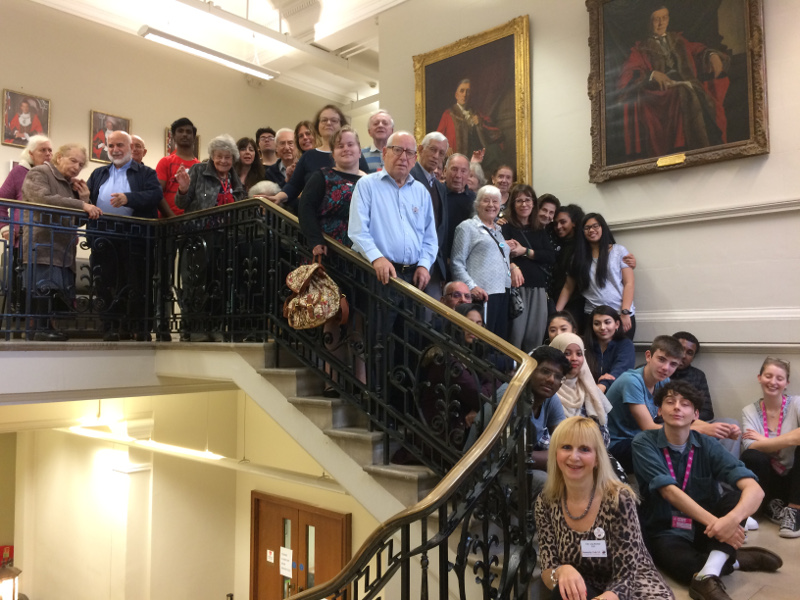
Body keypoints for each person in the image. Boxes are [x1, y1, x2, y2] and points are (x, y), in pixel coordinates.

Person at [633, 381, 782, 600]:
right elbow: (669, 492)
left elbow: (755, 490)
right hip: (665, 528)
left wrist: (730, 520)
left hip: (707, 529)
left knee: (737, 498)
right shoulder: (643, 442)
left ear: (695, 414)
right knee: (683, 568)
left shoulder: (707, 444)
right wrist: (719, 524)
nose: (676, 407)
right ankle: (732, 559)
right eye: (670, 402)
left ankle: (708, 573)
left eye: (685, 404)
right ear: (659, 410)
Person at [536, 416, 674, 600]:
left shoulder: (619, 499)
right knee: (562, 593)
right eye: (566, 447)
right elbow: (548, 566)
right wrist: (561, 571)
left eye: (584, 449)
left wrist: (610, 595)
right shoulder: (545, 501)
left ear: (597, 459)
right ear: (555, 454)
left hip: (632, 587)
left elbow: (627, 571)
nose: (574, 457)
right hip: (586, 585)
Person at [607, 335, 739, 473]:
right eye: (661, 359)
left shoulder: (663, 381)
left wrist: (719, 429)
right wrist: (703, 430)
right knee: (677, 443)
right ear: (648, 356)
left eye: (673, 364)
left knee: (708, 434)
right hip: (618, 445)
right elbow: (648, 427)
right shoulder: (631, 381)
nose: (666, 368)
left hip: (639, 438)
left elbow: (681, 417)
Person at [618, 5, 731, 160]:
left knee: (692, 90)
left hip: (687, 85)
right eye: (656, 19)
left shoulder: (678, 40)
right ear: (648, 22)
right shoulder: (641, 49)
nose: (661, 23)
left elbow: (697, 49)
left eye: (664, 18)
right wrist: (651, 75)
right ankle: (688, 147)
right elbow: (628, 73)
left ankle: (709, 145)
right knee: (684, 92)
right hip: (660, 94)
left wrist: (711, 55)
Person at [21, 143, 102, 340]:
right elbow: (43, 198)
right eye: (73, 160)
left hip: (63, 248)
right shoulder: (40, 172)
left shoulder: (70, 186)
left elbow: (79, 220)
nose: (76, 167)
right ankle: (39, 329)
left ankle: (48, 328)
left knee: (57, 291)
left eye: (81, 164)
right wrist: (81, 204)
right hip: (42, 243)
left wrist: (85, 198)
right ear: (59, 158)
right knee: (43, 287)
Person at [86, 131, 162, 341]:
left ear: (130, 148)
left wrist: (128, 199)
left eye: (120, 145)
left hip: (134, 236)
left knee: (137, 282)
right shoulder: (99, 173)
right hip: (103, 235)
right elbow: (88, 197)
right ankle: (110, 326)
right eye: (110, 146)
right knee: (105, 282)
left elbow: (155, 195)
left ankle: (138, 327)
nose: (115, 150)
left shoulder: (146, 173)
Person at [348, 130, 437, 291]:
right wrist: (377, 258)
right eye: (397, 150)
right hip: (378, 274)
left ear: (414, 159)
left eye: (409, 153)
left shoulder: (421, 191)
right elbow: (357, 231)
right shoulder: (367, 185)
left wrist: (424, 265)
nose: (403, 157)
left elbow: (430, 237)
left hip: (414, 277)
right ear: (384, 153)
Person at [741, 357, 800, 537]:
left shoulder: (797, 403)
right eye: (768, 376)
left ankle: (793, 510)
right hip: (769, 479)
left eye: (779, 378)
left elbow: (758, 443)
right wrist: (791, 438)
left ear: (786, 383)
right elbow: (750, 446)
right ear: (760, 378)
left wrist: (763, 441)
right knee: (752, 456)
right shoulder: (749, 411)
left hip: (795, 478)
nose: (773, 382)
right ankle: (767, 505)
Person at [270, 106, 369, 212]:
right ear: (317, 126)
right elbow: (294, 185)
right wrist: (278, 197)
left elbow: (367, 184)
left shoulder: (353, 154)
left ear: (342, 125)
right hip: (313, 215)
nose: (329, 123)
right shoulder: (308, 156)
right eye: (324, 120)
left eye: (334, 120)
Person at [556, 213, 636, 339]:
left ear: (602, 227)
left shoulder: (619, 251)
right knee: (595, 357)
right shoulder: (577, 258)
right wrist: (556, 314)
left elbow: (629, 283)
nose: (591, 230)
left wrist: (625, 312)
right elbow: (568, 287)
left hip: (620, 315)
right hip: (593, 318)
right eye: (587, 228)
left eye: (595, 226)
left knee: (621, 354)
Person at [450, 185, 515, 339]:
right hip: (483, 295)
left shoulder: (498, 231)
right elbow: (456, 262)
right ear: (477, 204)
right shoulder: (467, 228)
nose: (491, 205)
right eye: (486, 201)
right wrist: (471, 286)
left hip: (503, 292)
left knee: (499, 341)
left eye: (495, 201)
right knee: (482, 341)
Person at [502, 184, 554, 351]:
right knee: (515, 336)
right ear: (513, 204)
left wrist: (525, 251)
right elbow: (499, 254)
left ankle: (532, 375)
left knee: (535, 337)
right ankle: (512, 375)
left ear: (533, 203)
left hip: (538, 289)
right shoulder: (505, 227)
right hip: (517, 289)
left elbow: (551, 256)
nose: (524, 204)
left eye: (527, 200)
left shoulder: (539, 229)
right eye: (519, 201)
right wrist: (512, 264)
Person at [549, 333, 613, 435]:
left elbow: (604, 436)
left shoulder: (591, 390)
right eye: (567, 353)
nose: (574, 358)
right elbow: (540, 437)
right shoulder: (546, 390)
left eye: (579, 354)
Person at [410, 132, 449, 298]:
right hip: (413, 263)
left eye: (441, 153)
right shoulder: (408, 177)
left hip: (434, 264)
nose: (436, 156)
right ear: (420, 149)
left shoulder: (440, 187)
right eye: (432, 150)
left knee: (431, 320)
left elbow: (440, 226)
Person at [1, 135, 53, 244]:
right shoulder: (19, 172)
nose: (48, 153)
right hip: (22, 240)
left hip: (49, 242)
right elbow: (2, 201)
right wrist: (5, 227)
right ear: (31, 153)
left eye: (50, 150)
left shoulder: (54, 176)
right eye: (43, 150)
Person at [436, 79, 502, 160]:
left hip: (476, 158)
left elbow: (495, 132)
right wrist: (446, 147)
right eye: (462, 91)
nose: (465, 94)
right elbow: (437, 137)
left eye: (468, 91)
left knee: (495, 150)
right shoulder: (448, 114)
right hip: (457, 158)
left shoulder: (476, 113)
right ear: (456, 95)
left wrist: (480, 123)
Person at [583, 306, 635, 393]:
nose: (602, 327)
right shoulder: (583, 344)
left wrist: (603, 385)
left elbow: (621, 370)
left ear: (617, 324)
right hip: (586, 392)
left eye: (607, 322)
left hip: (615, 393)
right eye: (597, 323)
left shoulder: (626, 344)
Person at [156, 117, 199, 218]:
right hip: (166, 222)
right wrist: (172, 218)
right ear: (174, 136)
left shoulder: (200, 166)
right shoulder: (165, 162)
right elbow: (157, 193)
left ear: (193, 137)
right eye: (180, 131)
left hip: (192, 222)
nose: (184, 134)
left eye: (188, 132)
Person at [442, 153, 476, 273]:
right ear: (445, 171)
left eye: (463, 171)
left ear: (469, 174)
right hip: (440, 262)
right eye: (454, 169)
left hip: (468, 265)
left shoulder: (476, 200)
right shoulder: (435, 195)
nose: (458, 175)